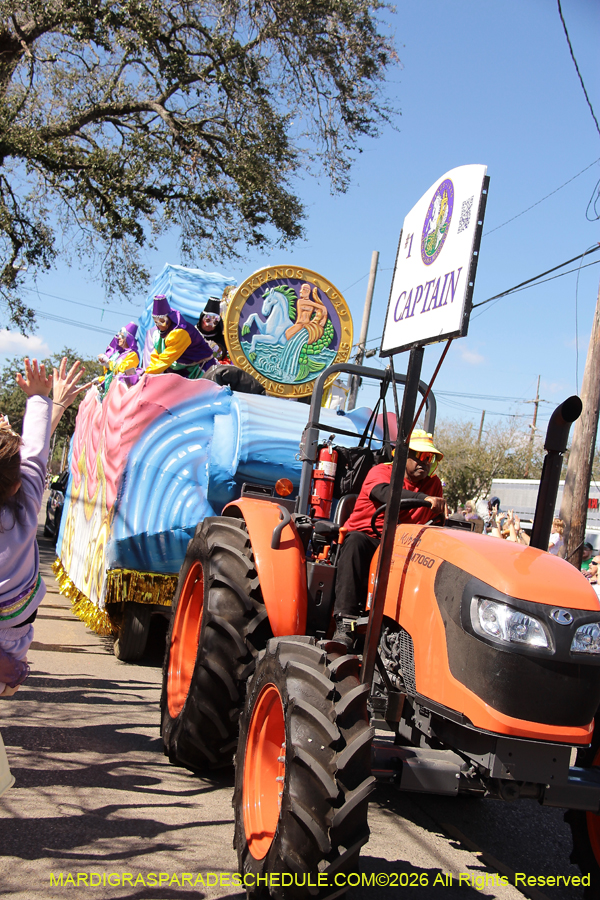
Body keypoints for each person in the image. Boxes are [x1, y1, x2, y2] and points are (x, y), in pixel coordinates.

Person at [0, 358, 86, 698]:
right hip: (12, 639)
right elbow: (34, 454)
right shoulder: (24, 509)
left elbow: (31, 454)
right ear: (15, 484)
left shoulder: (24, 493)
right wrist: (43, 399)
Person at [332, 430, 446, 648]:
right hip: (370, 537)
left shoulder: (433, 484)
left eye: (429, 458)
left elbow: (437, 519)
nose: (425, 462)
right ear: (403, 456)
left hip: (404, 545)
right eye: (419, 456)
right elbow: (386, 493)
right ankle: (345, 622)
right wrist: (424, 499)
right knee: (355, 542)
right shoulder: (381, 472)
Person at [146, 295, 216, 378]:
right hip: (181, 371)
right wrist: (147, 373)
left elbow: (166, 359)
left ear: (169, 318)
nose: (159, 325)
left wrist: (147, 375)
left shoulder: (180, 332)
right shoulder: (157, 335)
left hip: (200, 369)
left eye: (162, 321)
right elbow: (156, 357)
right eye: (156, 322)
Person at [96, 322, 140, 391]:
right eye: (119, 335)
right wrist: (101, 379)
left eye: (122, 336)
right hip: (113, 391)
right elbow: (112, 376)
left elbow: (124, 371)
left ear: (128, 338)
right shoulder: (117, 354)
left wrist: (108, 362)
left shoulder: (132, 354)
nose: (119, 338)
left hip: (123, 392)